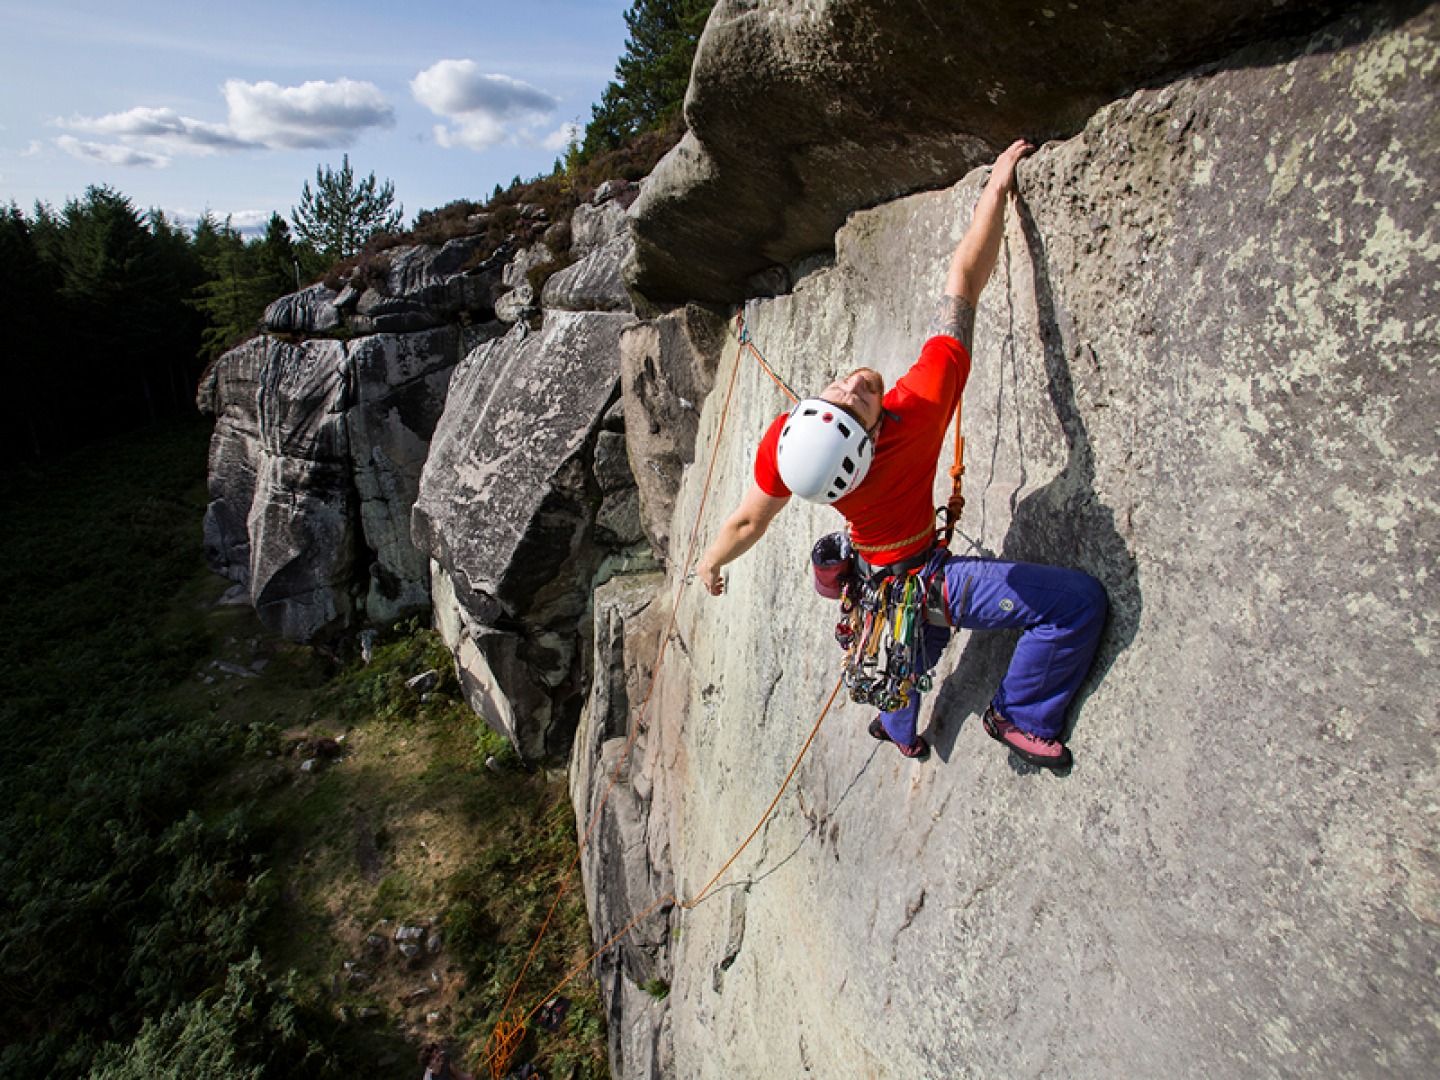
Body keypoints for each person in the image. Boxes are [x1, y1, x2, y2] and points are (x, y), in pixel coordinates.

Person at [696, 139, 1107, 769]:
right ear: (872, 435)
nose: (853, 385)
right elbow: (963, 284)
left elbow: (749, 520)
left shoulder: (790, 447)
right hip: (928, 579)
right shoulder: (915, 413)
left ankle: (898, 726)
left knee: (902, 652)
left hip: (873, 583)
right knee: (1076, 604)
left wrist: (711, 563)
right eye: (856, 401)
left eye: (836, 392)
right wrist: (993, 195)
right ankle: (1019, 713)